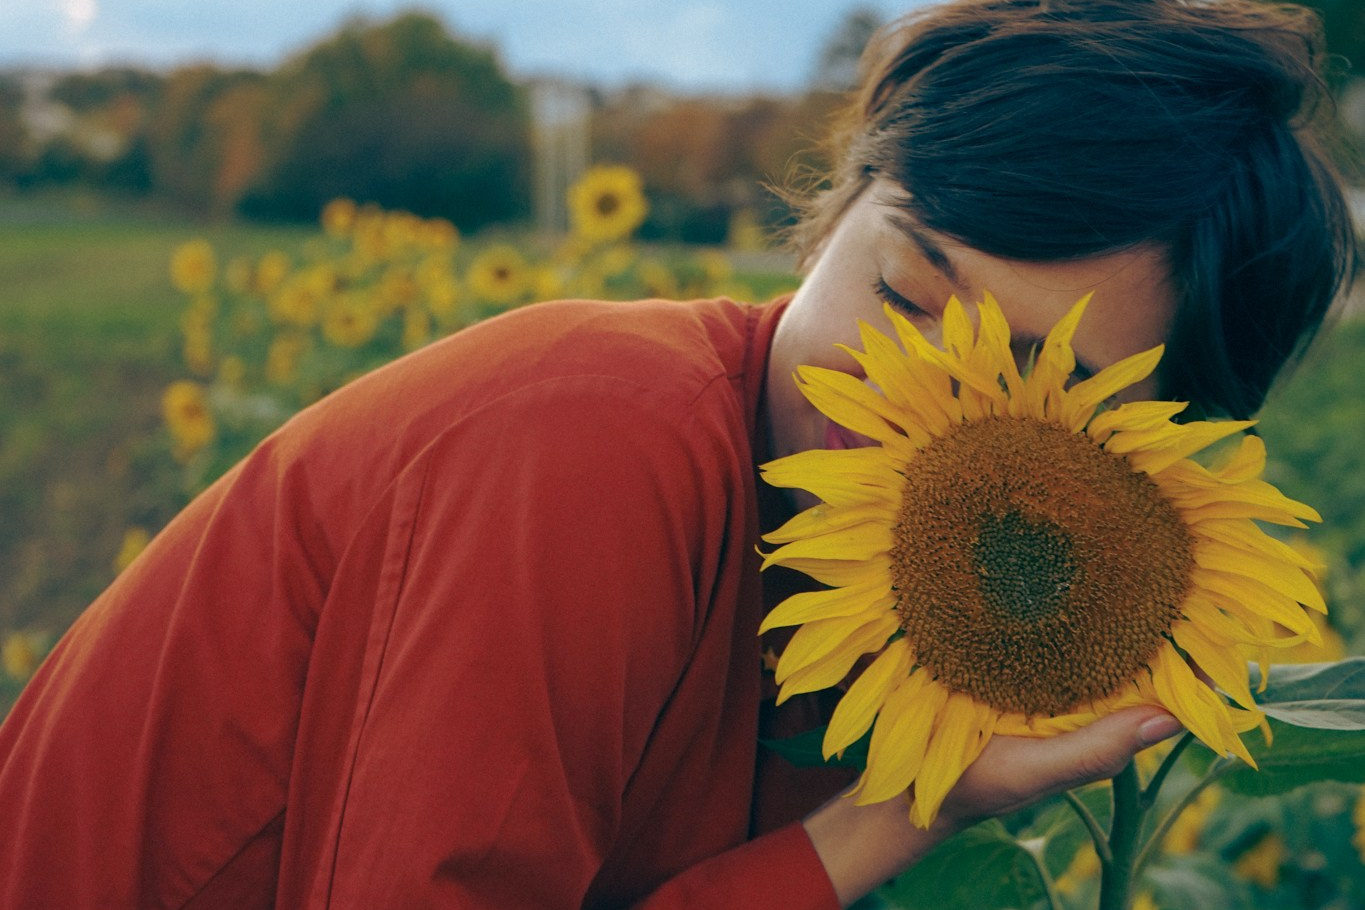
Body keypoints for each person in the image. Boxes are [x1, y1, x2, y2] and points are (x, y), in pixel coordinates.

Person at [0, 0, 1355, 906]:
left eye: (1022, 407)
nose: (905, 412)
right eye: (903, 295)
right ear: (835, 213)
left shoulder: (923, 615)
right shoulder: (593, 433)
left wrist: (919, 797)